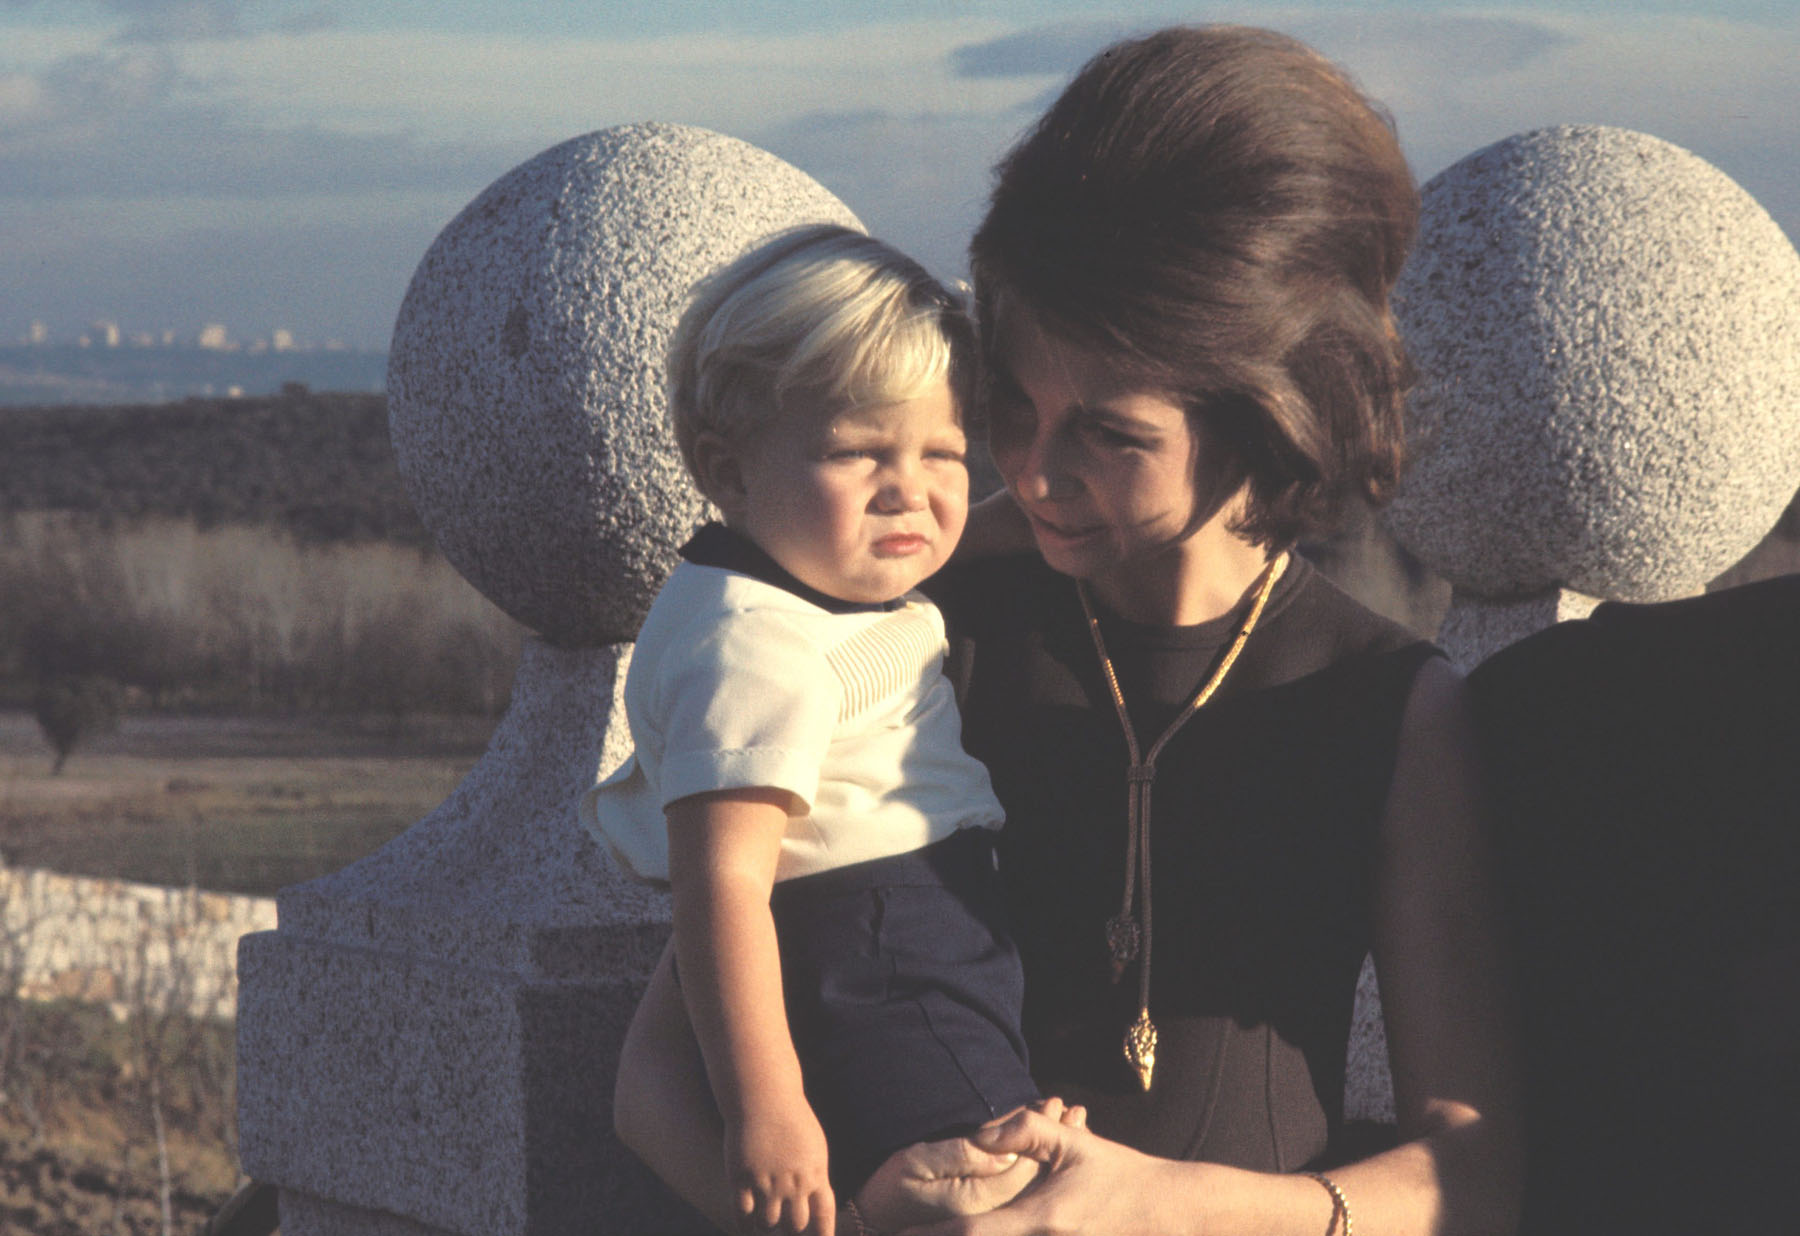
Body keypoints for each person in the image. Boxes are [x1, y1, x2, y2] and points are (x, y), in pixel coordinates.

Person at [615, 26, 1521, 1236]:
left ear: (1263, 419)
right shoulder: (913, 643)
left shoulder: (1389, 704)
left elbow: (1478, 1177)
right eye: (1011, 411)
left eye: (1109, 435)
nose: (1031, 476)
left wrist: (1170, 1207)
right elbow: (653, 1086)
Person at [584, 225, 1042, 1236]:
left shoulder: (780, 581)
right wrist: (769, 1109)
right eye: (858, 452)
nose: (909, 492)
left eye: (944, 454)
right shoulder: (753, 649)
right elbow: (725, 883)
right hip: (881, 950)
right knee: (995, 1189)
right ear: (728, 469)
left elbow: (944, 536)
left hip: (889, 936)